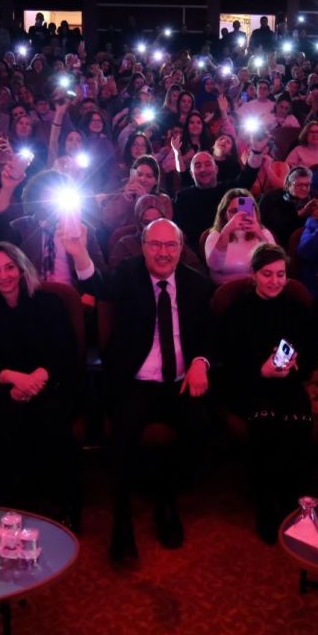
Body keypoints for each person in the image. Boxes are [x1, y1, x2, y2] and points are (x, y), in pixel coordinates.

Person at [100, 219, 214, 563]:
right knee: (123, 434)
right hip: (134, 381)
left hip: (179, 381)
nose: (163, 253)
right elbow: (94, 282)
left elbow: (209, 334)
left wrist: (200, 361)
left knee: (202, 425)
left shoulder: (196, 284)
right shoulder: (126, 275)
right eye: (155, 244)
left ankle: (167, 499)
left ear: (181, 248)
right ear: (143, 246)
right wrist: (78, 252)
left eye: (171, 245)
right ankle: (122, 520)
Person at [0, 242, 81, 525]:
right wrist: (13, 378)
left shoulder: (49, 302)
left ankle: (64, 505)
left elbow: (66, 350)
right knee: (7, 421)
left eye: (9, 267)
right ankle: (12, 510)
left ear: (21, 268)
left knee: (51, 418)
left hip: (51, 383)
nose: (3, 276)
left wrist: (36, 379)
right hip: (5, 389)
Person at [217, 244, 317, 542]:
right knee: (266, 423)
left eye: (281, 274)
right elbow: (227, 358)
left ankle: (293, 500)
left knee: (297, 423)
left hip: (288, 382)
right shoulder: (237, 310)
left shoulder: (297, 309)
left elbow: (313, 352)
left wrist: (297, 364)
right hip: (248, 382)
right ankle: (266, 504)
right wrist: (260, 369)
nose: (275, 281)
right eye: (267, 274)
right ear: (254, 275)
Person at [172, 142, 263, 241]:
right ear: (191, 174)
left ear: (216, 169)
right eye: (198, 166)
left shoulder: (232, 191)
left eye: (208, 164)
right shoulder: (182, 198)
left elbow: (249, 175)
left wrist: (257, 150)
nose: (203, 169)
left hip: (234, 245)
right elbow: (179, 234)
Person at [109, 193, 202, 271]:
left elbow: (196, 269)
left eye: (157, 221)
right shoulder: (126, 245)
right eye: (147, 223)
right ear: (138, 223)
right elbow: (116, 276)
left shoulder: (174, 240)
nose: (152, 226)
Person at [204, 189, 276, 285]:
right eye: (234, 211)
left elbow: (275, 263)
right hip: (225, 288)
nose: (240, 215)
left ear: (254, 211)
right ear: (224, 214)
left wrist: (259, 234)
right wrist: (226, 232)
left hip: (257, 286)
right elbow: (215, 266)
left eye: (244, 210)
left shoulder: (264, 233)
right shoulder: (215, 236)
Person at [258, 166, 318, 250]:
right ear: (288, 185)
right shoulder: (273, 199)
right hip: (278, 245)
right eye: (298, 185)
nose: (304, 188)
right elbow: (279, 228)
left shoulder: (315, 197)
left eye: (307, 185)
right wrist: (301, 214)